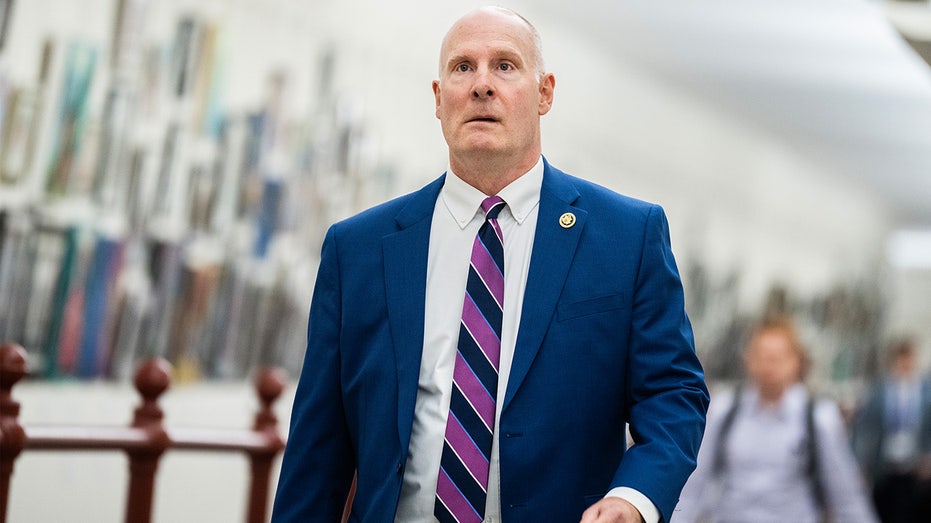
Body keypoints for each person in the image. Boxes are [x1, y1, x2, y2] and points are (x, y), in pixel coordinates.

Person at [271, 7, 708, 523]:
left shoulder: (627, 237)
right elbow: (317, 449)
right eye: (463, 68)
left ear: (544, 93)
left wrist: (634, 498)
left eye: (504, 65)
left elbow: (674, 393)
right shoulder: (358, 250)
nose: (482, 85)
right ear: (439, 99)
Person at [674, 316, 878, 523]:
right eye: (761, 356)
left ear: (796, 362)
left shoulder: (818, 418)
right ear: (748, 359)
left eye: (777, 358)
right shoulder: (724, 411)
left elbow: (846, 496)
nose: (769, 366)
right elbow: (694, 485)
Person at [851, 338, 931, 523]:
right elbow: (865, 426)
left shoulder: (924, 391)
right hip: (885, 463)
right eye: (901, 360)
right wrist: (861, 461)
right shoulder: (880, 390)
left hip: (913, 466)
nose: (905, 365)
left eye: (908, 360)